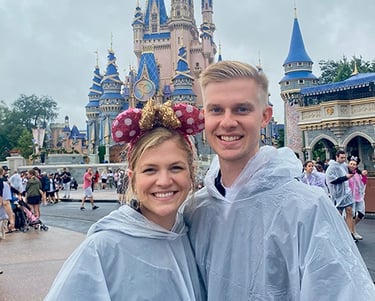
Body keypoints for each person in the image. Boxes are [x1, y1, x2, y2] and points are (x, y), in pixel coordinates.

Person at [184, 60, 375, 300]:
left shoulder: (307, 209)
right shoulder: (195, 210)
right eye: (216, 110)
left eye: (242, 109)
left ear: (265, 117)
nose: (228, 121)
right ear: (204, 118)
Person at [45, 100, 206, 300]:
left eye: (176, 167)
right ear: (132, 178)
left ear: (191, 173)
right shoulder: (102, 249)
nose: (164, 181)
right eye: (150, 170)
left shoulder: (194, 237)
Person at [325, 150, 357, 241]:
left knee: (349, 211)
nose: (343, 159)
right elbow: (331, 180)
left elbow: (352, 170)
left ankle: (350, 233)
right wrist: (345, 177)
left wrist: (354, 168)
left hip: (346, 192)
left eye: (344, 157)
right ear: (337, 157)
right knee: (338, 214)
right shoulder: (332, 167)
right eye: (341, 158)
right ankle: (336, 234)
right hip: (338, 194)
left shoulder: (344, 165)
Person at [347, 155, 368, 241]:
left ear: (356, 165)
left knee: (361, 214)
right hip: (350, 197)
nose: (352, 165)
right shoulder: (346, 173)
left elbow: (363, 183)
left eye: (354, 164)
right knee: (351, 215)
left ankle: (352, 227)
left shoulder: (358, 173)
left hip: (359, 196)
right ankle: (352, 232)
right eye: (351, 163)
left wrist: (364, 176)